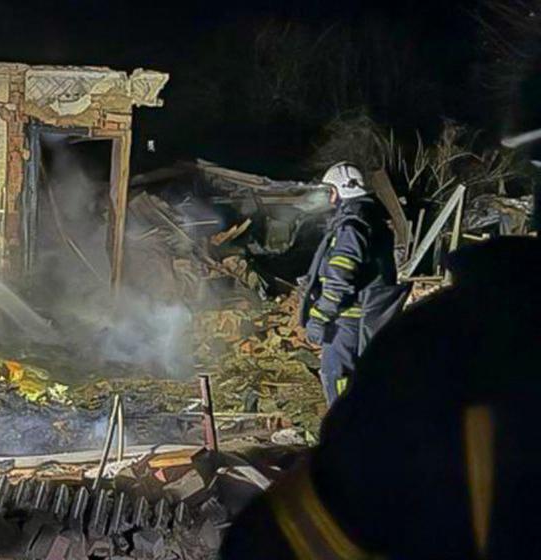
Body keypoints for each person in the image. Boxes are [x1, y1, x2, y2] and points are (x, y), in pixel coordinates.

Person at [222, 237, 541, 559]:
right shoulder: (464, 334)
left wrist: (321, 317)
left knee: (337, 377)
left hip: (344, 326)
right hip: (350, 328)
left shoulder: (447, 337)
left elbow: (289, 533)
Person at [298, 162, 401, 405]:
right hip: (359, 319)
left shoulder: (352, 226)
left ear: (344, 189)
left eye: (331, 190)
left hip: (345, 321)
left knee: (337, 377)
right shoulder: (370, 220)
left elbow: (340, 277)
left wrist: (321, 316)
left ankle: (344, 432)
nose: (329, 197)